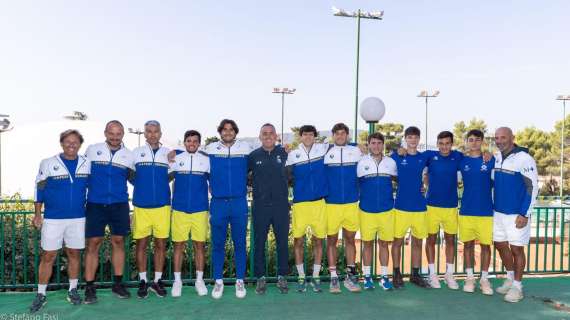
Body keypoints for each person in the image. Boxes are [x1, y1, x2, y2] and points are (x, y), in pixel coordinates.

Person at [30, 130, 91, 313]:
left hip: (78, 218)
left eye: (75, 142)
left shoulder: (87, 163)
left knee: (74, 254)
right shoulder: (48, 163)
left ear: (80, 144)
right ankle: (41, 294)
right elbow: (39, 188)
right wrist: (37, 214)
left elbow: (93, 187)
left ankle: (73, 290)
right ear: (61, 143)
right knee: (48, 256)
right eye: (67, 142)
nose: (71, 145)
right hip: (53, 219)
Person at [83, 120, 133, 303]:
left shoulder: (129, 155)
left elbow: (136, 179)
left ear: (123, 134)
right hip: (95, 203)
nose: (114, 137)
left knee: (118, 242)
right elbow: (83, 176)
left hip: (119, 204)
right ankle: (89, 287)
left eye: (118, 133)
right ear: (105, 133)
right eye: (111, 133)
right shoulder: (92, 150)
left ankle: (118, 284)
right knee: (93, 244)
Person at [206, 119, 252, 299]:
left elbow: (256, 164)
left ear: (235, 132)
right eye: (224, 130)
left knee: (240, 244)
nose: (227, 132)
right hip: (218, 203)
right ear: (220, 132)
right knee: (218, 244)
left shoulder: (245, 148)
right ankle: (218, 281)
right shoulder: (210, 149)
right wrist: (174, 153)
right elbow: (191, 156)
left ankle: (240, 280)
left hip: (239, 202)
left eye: (231, 129)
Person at [492, 127, 538, 303]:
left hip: (517, 214)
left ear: (512, 138)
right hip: (498, 213)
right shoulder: (496, 157)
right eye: (497, 138)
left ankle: (518, 287)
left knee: (517, 249)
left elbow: (532, 187)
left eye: (503, 137)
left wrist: (524, 213)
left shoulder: (524, 159)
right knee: (500, 244)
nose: (499, 140)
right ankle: (510, 278)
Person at [286, 125, 328, 293]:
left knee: (319, 241)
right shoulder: (292, 155)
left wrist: (358, 146)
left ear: (315, 136)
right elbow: (286, 176)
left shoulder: (324, 150)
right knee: (298, 241)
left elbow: (344, 147)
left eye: (311, 134)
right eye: (305, 134)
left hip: (319, 203)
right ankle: (302, 276)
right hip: (300, 204)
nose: (308, 137)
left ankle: (316, 276)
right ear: (300, 136)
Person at [131, 120, 172, 298]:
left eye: (156, 131)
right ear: (145, 133)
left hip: (162, 206)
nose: (153, 134)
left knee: (161, 245)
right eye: (149, 131)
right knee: (141, 244)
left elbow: (171, 175)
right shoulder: (135, 153)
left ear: (161, 133)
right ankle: (142, 281)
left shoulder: (169, 153)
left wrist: (159, 188)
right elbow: (130, 175)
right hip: (141, 206)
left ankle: (157, 281)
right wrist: (143, 188)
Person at [249, 123, 290, 295]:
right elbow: (242, 176)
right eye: (264, 133)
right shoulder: (252, 156)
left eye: (271, 133)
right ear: (260, 136)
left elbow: (293, 175)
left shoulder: (285, 153)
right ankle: (260, 278)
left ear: (276, 136)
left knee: (282, 243)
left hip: (281, 206)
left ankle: (282, 277)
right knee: (259, 243)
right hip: (260, 206)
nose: (268, 136)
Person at [169, 130, 209, 297]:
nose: (192, 143)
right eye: (188, 141)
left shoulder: (206, 160)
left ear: (199, 143)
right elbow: (166, 177)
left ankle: (199, 281)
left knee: (200, 246)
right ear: (184, 143)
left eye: (195, 141)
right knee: (178, 246)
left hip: (200, 210)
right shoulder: (176, 158)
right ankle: (177, 281)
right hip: (179, 210)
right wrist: (175, 151)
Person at [324, 123, 362, 293]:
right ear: (333, 135)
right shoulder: (325, 152)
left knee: (350, 240)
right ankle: (333, 278)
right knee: (331, 240)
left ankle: (350, 276)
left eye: (343, 133)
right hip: (331, 204)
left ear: (347, 136)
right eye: (337, 133)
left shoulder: (356, 151)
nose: (340, 136)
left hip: (351, 203)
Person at [390, 126, 430, 288]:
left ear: (419, 139)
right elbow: (386, 166)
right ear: (405, 139)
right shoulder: (396, 156)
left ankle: (415, 274)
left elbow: (428, 174)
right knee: (397, 241)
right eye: (410, 137)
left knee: (418, 242)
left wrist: (425, 185)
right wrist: (397, 149)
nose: (413, 140)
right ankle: (396, 273)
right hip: (400, 206)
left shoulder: (425, 157)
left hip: (419, 207)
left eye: (415, 137)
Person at [423, 131, 463, 289]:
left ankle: (449, 274)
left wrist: (486, 154)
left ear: (451, 144)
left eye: (447, 143)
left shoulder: (458, 157)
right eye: (441, 143)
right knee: (431, 240)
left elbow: (475, 157)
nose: (444, 146)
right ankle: (432, 274)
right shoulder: (429, 156)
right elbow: (413, 156)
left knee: (450, 241)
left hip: (451, 206)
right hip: (431, 206)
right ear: (437, 143)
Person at [357, 132, 397, 290]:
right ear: (368, 145)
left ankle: (384, 276)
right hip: (367, 210)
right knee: (367, 244)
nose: (376, 146)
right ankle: (367, 277)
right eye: (373, 143)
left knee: (384, 244)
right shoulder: (361, 162)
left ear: (383, 145)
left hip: (387, 210)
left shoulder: (391, 162)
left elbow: (401, 180)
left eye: (379, 143)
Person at [459, 129, 494, 295]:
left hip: (486, 211)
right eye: (470, 140)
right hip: (466, 210)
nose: (474, 142)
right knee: (468, 246)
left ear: (482, 141)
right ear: (467, 142)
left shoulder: (490, 159)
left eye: (477, 140)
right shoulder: (462, 161)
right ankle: (470, 277)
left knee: (486, 246)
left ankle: (484, 279)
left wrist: (489, 153)